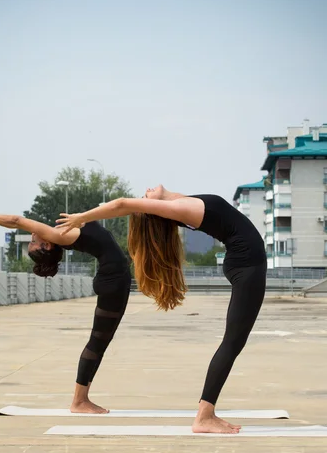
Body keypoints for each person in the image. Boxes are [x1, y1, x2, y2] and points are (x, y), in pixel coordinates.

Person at [55, 185, 267, 434]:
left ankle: (206, 414)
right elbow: (122, 204)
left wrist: (97, 211)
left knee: (234, 341)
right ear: (157, 211)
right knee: (232, 342)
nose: (146, 191)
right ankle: (204, 416)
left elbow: (122, 204)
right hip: (247, 266)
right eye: (146, 199)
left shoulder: (180, 202)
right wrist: (83, 217)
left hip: (245, 264)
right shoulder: (177, 208)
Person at [0, 209, 131, 414]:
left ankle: (81, 400)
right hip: (113, 281)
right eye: (33, 243)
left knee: (100, 342)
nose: (31, 237)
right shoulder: (60, 236)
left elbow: (19, 221)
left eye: (30, 242)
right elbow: (15, 220)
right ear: (47, 244)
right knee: (97, 342)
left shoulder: (63, 230)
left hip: (113, 280)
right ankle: (79, 401)